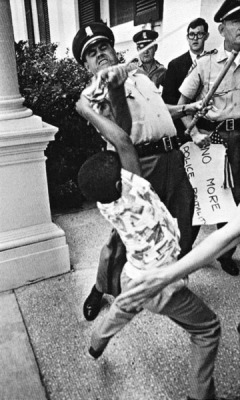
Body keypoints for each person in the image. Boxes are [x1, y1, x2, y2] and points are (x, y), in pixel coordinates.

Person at [77, 90, 221, 400]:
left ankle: (96, 341)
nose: (128, 162)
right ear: (122, 184)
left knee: (126, 305)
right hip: (159, 283)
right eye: (122, 167)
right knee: (208, 329)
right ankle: (200, 396)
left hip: (135, 274)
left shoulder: (107, 204)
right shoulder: (136, 191)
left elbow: (122, 149)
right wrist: (86, 110)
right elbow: (124, 142)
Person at [72, 22, 205, 322]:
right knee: (126, 234)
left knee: (182, 218)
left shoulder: (139, 74)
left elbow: (158, 108)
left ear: (113, 49)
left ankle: (167, 279)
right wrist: (115, 89)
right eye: (91, 53)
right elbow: (124, 131)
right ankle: (100, 287)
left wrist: (187, 108)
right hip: (138, 166)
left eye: (103, 47)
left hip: (172, 157)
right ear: (86, 65)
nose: (100, 54)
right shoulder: (94, 94)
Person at [177, 0, 240, 277]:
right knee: (201, 200)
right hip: (213, 139)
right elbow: (181, 105)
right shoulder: (207, 63)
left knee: (234, 200)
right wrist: (194, 131)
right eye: (236, 21)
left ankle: (225, 255)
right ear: (222, 27)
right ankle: (182, 257)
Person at [162, 17, 209, 145]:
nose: (195, 38)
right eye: (191, 35)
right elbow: (168, 101)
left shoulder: (212, 61)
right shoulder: (175, 65)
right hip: (184, 132)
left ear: (206, 36)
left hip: (209, 129)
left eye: (199, 34)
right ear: (187, 37)